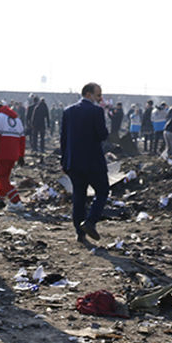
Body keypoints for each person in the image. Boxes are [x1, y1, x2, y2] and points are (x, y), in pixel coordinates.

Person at [61, 83, 110, 243]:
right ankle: (90, 222)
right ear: (88, 94)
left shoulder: (68, 111)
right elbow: (102, 135)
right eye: (98, 95)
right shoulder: (96, 111)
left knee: (79, 196)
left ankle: (79, 233)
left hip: (74, 162)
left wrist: (64, 161)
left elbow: (64, 138)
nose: (100, 98)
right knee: (102, 191)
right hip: (93, 161)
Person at [0, 101, 26, 208]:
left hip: (1, 153)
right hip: (14, 154)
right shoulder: (17, 119)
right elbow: (22, 139)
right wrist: (21, 155)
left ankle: (16, 200)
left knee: (1, 177)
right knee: (5, 177)